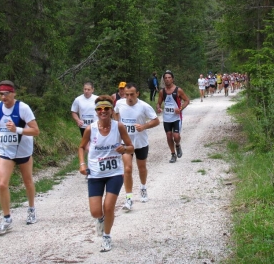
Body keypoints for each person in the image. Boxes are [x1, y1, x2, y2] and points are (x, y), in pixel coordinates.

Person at [78, 95, 134, 252]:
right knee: (96, 211)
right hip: (95, 174)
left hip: (114, 173)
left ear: (111, 111)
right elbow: (81, 147)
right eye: (99, 109)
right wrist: (82, 164)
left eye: (106, 109)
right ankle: (101, 219)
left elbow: (131, 147)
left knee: (108, 206)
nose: (103, 111)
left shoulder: (119, 127)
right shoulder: (91, 129)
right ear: (96, 112)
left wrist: (124, 149)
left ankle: (107, 237)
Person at [0, 80, 40, 235]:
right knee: (2, 184)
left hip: (23, 150)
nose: (4, 97)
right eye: (1, 94)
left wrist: (17, 129)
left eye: (7, 93)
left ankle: (31, 209)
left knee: (28, 181)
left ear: (13, 93)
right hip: (5, 150)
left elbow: (36, 131)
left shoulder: (23, 108)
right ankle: (6, 219)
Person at [113, 83, 160, 212]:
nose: (129, 97)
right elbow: (115, 113)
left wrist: (144, 126)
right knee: (127, 169)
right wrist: (117, 125)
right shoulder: (120, 104)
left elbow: (156, 120)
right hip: (126, 144)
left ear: (137, 94)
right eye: (126, 94)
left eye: (132, 94)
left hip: (140, 142)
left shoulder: (144, 106)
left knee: (142, 167)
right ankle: (129, 198)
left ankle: (143, 187)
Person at [157, 70, 190, 163]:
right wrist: (158, 108)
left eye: (169, 78)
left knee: (176, 136)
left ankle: (178, 145)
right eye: (165, 78)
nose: (167, 79)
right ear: (163, 80)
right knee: (168, 136)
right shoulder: (162, 92)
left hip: (176, 117)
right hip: (167, 118)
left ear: (173, 79)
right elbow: (158, 103)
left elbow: (187, 100)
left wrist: (180, 108)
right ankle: (173, 154)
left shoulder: (178, 90)